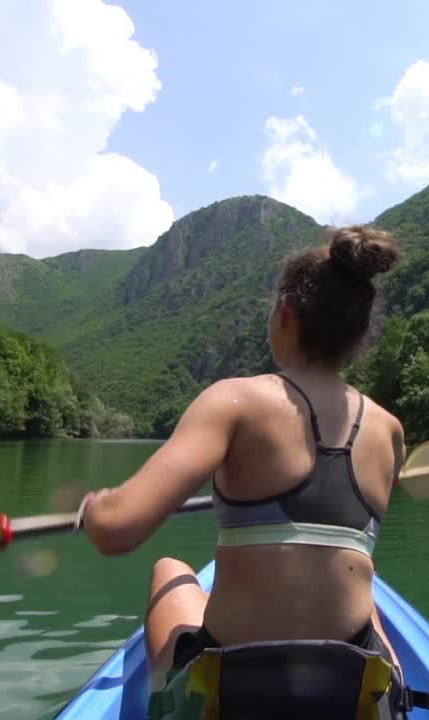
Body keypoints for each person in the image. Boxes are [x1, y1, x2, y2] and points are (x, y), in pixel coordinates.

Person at [77, 225, 409, 718]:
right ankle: (393, 700)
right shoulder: (389, 431)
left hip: (233, 698)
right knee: (365, 573)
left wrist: (98, 509)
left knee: (170, 568)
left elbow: (117, 531)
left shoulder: (235, 401)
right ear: (357, 333)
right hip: (346, 697)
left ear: (285, 313)